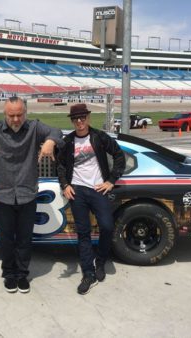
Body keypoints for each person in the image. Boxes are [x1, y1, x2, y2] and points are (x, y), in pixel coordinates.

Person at [0, 96, 63, 294]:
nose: (16, 119)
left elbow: (57, 132)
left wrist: (50, 141)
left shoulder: (34, 127)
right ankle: (9, 274)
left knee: (25, 238)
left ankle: (22, 275)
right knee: (5, 238)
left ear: (25, 113)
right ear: (4, 114)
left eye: (19, 115)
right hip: (2, 193)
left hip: (27, 193)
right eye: (11, 115)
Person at [57, 103, 126, 295]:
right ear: (72, 121)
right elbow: (60, 166)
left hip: (98, 189)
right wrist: (65, 185)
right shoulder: (68, 141)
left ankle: (100, 261)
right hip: (77, 191)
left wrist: (111, 180)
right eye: (76, 119)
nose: (79, 122)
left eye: (82, 118)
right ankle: (88, 273)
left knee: (106, 226)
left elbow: (119, 156)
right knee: (83, 232)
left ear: (88, 118)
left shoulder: (99, 137)